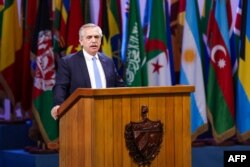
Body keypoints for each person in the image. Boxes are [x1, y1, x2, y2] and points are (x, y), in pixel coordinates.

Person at [51, 23, 124, 120]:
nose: (94, 40)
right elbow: (61, 86)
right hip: (80, 115)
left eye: (97, 37)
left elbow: (119, 85)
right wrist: (58, 105)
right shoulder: (68, 62)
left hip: (108, 113)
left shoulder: (108, 61)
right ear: (81, 41)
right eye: (89, 37)